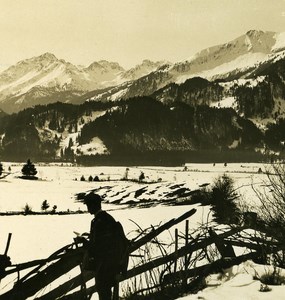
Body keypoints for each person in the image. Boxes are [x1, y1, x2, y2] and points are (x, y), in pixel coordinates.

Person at [80, 192, 125, 300]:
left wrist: (85, 243)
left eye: (88, 205)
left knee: (104, 292)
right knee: (105, 292)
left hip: (105, 265)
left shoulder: (100, 221)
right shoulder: (106, 218)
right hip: (109, 264)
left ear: (94, 205)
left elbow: (99, 247)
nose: (88, 208)